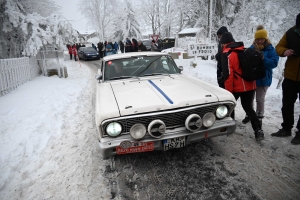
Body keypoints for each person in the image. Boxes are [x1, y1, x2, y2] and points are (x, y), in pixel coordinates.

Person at [220, 32, 264, 141]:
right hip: (251, 84)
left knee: (230, 105)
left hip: (238, 87)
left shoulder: (229, 54)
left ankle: (230, 126)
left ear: (223, 44)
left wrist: (228, 93)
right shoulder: (244, 50)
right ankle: (258, 130)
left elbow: (228, 76)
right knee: (248, 107)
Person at [271, 13, 300, 145]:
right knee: (287, 104)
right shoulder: (290, 33)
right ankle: (286, 128)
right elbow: (279, 47)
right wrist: (285, 51)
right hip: (290, 76)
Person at [242, 25, 279, 126]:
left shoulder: (271, 49)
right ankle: (250, 114)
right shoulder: (252, 48)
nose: (260, 41)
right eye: (258, 39)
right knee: (250, 98)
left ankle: (259, 116)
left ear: (266, 38)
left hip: (264, 78)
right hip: (252, 77)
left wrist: (263, 59)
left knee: (260, 98)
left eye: (262, 39)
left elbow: (274, 63)